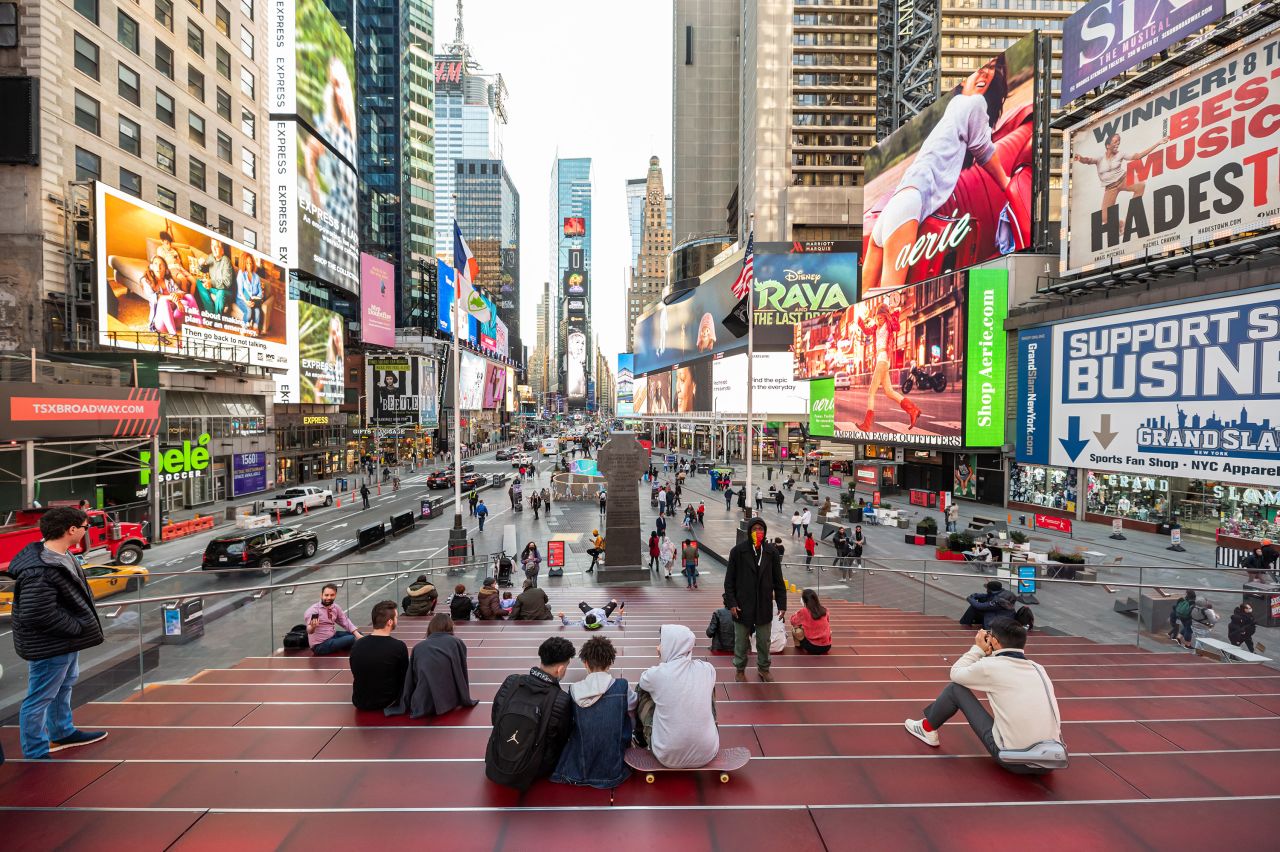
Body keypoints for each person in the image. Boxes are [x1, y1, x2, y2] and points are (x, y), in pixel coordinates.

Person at [905, 618, 1063, 775]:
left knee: (955, 689)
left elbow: (955, 673)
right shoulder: (1039, 669)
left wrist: (978, 649)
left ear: (993, 641)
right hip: (1051, 760)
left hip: (1014, 760)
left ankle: (926, 728)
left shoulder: (990, 667)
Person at [11, 507, 109, 759]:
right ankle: (35, 753)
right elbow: (37, 613)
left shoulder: (61, 555)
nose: (87, 532)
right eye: (85, 527)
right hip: (51, 644)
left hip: (63, 642)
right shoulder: (42, 568)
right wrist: (76, 627)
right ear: (72, 530)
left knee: (63, 686)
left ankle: (62, 732)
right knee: (40, 697)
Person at [485, 636, 575, 791]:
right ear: (560, 669)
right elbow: (560, 740)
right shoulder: (561, 699)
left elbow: (496, 717)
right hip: (534, 770)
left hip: (495, 759)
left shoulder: (511, 681)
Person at [551, 636, 636, 788]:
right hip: (613, 770)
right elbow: (633, 708)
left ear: (586, 663)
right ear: (610, 663)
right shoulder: (622, 686)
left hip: (582, 766)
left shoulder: (574, 689)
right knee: (628, 713)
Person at [636, 625, 720, 767]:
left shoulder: (656, 675)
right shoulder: (707, 669)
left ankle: (639, 737)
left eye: (662, 642)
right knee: (708, 688)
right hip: (708, 752)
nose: (659, 647)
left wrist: (662, 661)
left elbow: (644, 681)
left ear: (670, 645)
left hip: (666, 756)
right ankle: (709, 731)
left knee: (643, 689)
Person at [724, 517, 787, 683]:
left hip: (764, 604)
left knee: (764, 640)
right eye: (755, 529)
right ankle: (739, 669)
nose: (758, 532)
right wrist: (732, 603)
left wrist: (782, 604)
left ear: (765, 531)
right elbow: (729, 581)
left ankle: (764, 668)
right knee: (740, 641)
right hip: (742, 605)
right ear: (749, 531)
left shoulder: (771, 552)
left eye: (761, 529)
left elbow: (778, 580)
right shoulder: (738, 551)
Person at [385, 613, 477, 719]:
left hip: (422, 702)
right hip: (448, 702)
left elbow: (411, 679)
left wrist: (405, 701)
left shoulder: (418, 647)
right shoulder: (456, 643)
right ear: (450, 626)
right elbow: (460, 672)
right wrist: (465, 697)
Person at [1072, 132, 1168, 226]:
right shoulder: (1100, 158)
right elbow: (1088, 160)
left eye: (1119, 142)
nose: (1117, 143)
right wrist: (1081, 158)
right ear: (1108, 145)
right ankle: (1121, 224)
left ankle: (1130, 217)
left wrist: (1158, 143)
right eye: (1115, 141)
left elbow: (1138, 156)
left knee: (1141, 185)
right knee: (1105, 218)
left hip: (1123, 179)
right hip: (1110, 188)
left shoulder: (1120, 154)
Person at [349, 601, 409, 712]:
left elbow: (355, 671)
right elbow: (404, 677)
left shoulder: (357, 644)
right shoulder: (398, 646)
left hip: (360, 701)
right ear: (390, 622)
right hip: (387, 702)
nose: (397, 620)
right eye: (396, 617)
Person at [306, 584, 363, 655]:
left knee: (359, 634)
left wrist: (357, 634)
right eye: (326, 595)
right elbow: (309, 631)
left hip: (333, 636)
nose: (329, 597)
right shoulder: (314, 610)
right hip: (320, 645)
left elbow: (345, 621)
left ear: (335, 595)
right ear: (321, 595)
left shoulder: (335, 607)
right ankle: (347, 645)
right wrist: (312, 627)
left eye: (332, 595)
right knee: (352, 638)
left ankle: (344, 645)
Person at [790, 589, 832, 655]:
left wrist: (796, 613)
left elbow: (792, 621)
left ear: (804, 600)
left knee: (795, 629)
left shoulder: (804, 611)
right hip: (827, 646)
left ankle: (798, 647)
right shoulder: (825, 610)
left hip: (813, 647)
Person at [559, 600, 624, 630]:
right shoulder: (602, 623)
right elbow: (616, 624)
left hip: (589, 611)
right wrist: (620, 613)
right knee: (614, 601)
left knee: (581, 602)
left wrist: (563, 617)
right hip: (603, 613)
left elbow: (568, 624)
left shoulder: (582, 623)